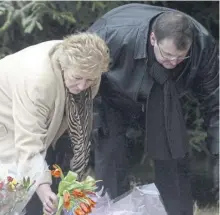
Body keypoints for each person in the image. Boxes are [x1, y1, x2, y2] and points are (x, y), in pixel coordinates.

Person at [88, 3, 219, 215]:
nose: (173, 62)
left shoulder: (203, 45)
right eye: (167, 55)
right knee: (111, 154)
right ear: (152, 39)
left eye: (180, 57)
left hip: (165, 96)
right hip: (113, 94)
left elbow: (216, 102)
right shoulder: (110, 34)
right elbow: (81, 80)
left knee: (174, 159)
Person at [0, 32, 110, 215]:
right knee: (6, 192)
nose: (83, 86)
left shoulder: (87, 68)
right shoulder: (38, 82)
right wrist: (43, 189)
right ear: (63, 66)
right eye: (77, 78)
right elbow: (29, 145)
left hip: (26, 115)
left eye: (89, 80)